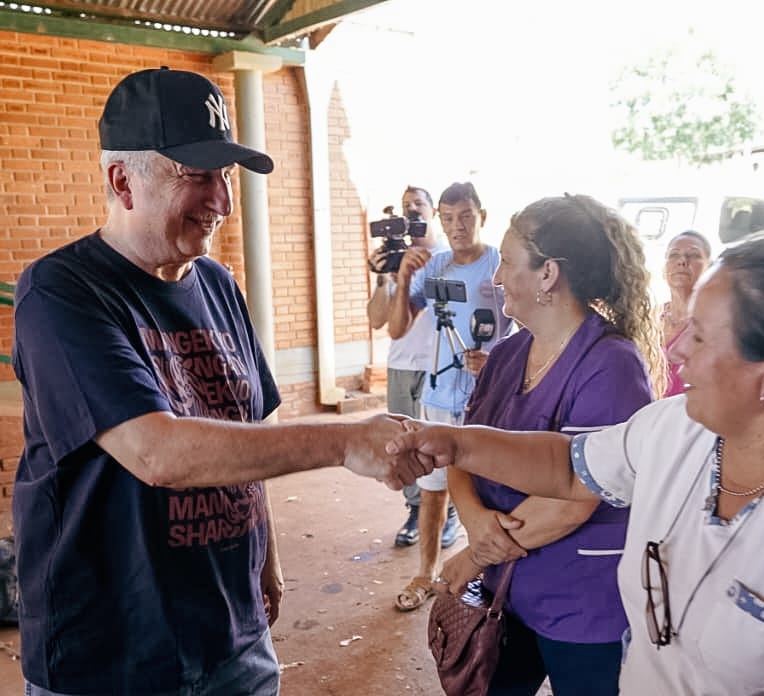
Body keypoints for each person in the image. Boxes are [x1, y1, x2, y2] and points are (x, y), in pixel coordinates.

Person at [388, 235, 764, 694]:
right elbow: (571, 468)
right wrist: (454, 443)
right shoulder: (678, 428)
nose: (674, 350)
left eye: (699, 336)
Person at [11, 67, 428, 696]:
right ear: (123, 181)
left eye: (225, 177)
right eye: (197, 176)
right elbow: (157, 452)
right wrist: (343, 440)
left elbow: (246, 426)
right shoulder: (60, 291)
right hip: (111, 652)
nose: (222, 203)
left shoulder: (218, 285)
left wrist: (264, 551)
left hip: (231, 638)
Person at [438, 194, 659, 695]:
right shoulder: (507, 354)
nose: (496, 278)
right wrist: (474, 523)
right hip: (506, 588)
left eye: (508, 263)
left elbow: (573, 501)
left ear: (547, 274)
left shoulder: (612, 365)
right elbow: (462, 449)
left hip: (581, 603)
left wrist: (474, 555)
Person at [387, 181, 513, 611]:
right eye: (448, 218)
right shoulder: (434, 266)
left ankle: (487, 576)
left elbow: (531, 326)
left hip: (491, 400)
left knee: (491, 489)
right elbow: (397, 328)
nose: (457, 226)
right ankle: (425, 571)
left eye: (465, 217)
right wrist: (403, 278)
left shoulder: (501, 263)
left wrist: (496, 359)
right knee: (433, 488)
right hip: (439, 396)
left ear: (482, 216)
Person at [366, 185, 458, 548]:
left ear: (433, 211)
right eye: (407, 207)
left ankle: (446, 514)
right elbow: (377, 320)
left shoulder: (448, 257)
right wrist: (384, 276)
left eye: (419, 204)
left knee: (440, 443)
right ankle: (415, 511)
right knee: (403, 443)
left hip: (442, 365)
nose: (413, 211)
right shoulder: (394, 260)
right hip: (402, 365)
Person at [659, 230, 711, 397]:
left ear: (709, 267)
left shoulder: (711, 323)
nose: (682, 261)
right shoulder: (648, 318)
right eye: (674, 255)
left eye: (694, 255)